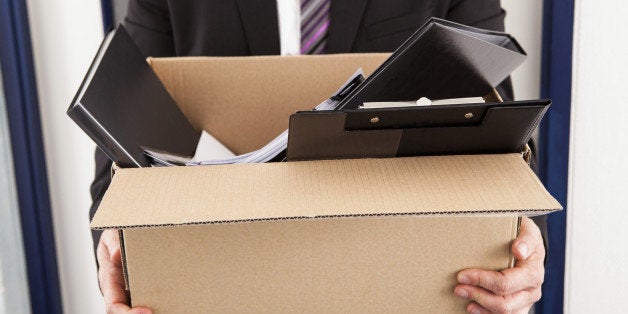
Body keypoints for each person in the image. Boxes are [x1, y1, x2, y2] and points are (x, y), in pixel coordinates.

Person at [92, 1, 547, 313]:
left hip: (397, 263)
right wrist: (114, 237)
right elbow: (128, 101)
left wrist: (522, 239)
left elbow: (493, 110)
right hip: (227, 266)